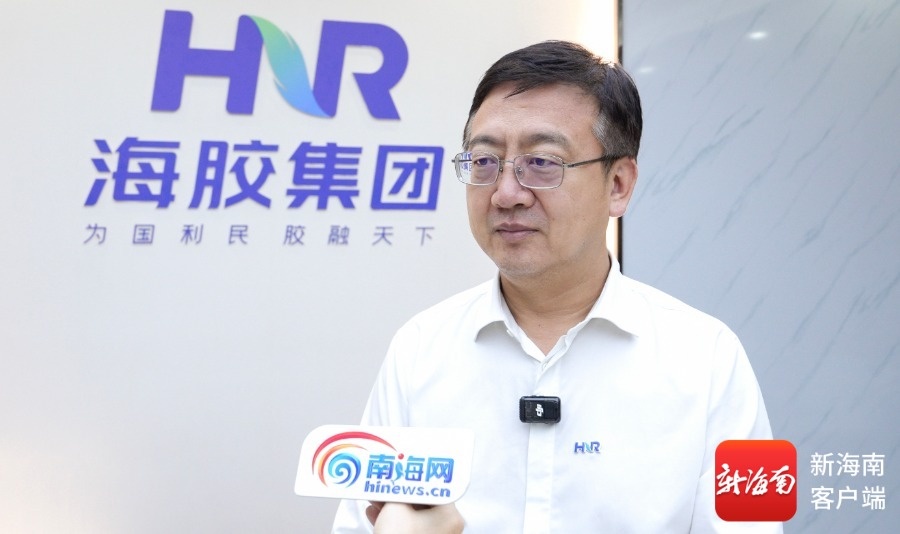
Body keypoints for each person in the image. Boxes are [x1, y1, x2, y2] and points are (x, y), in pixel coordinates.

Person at [333, 40, 779, 533]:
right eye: (484, 161)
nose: (506, 193)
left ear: (618, 184)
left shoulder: (712, 358)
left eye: (542, 162)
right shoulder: (420, 349)